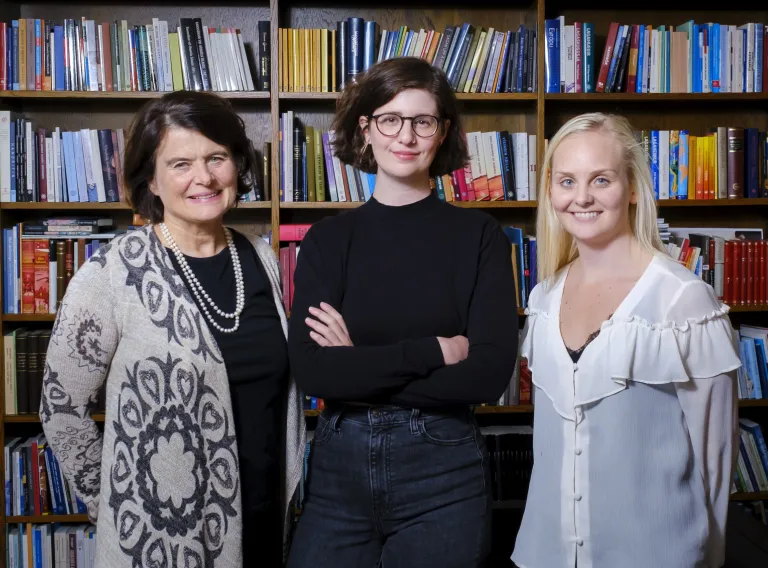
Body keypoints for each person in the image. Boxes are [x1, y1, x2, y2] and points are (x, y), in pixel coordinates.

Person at [40, 91, 305, 568]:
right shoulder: (112, 273)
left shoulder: (261, 258)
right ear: (152, 181)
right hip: (165, 538)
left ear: (236, 166)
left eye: (216, 158)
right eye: (180, 164)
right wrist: (117, 503)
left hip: (264, 521)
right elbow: (61, 408)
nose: (203, 177)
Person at [285, 56, 519, 568]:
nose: (406, 136)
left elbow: (486, 375)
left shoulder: (479, 237)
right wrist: (433, 350)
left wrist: (358, 367)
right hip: (338, 470)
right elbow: (313, 370)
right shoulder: (328, 240)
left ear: (443, 133)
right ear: (365, 130)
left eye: (423, 121)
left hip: (444, 470)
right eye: (389, 119)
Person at [511, 112, 741, 568]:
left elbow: (715, 454)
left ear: (633, 188)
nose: (581, 198)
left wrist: (710, 559)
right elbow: (547, 447)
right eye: (566, 181)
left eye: (601, 180)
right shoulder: (542, 297)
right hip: (543, 554)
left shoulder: (684, 301)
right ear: (550, 191)